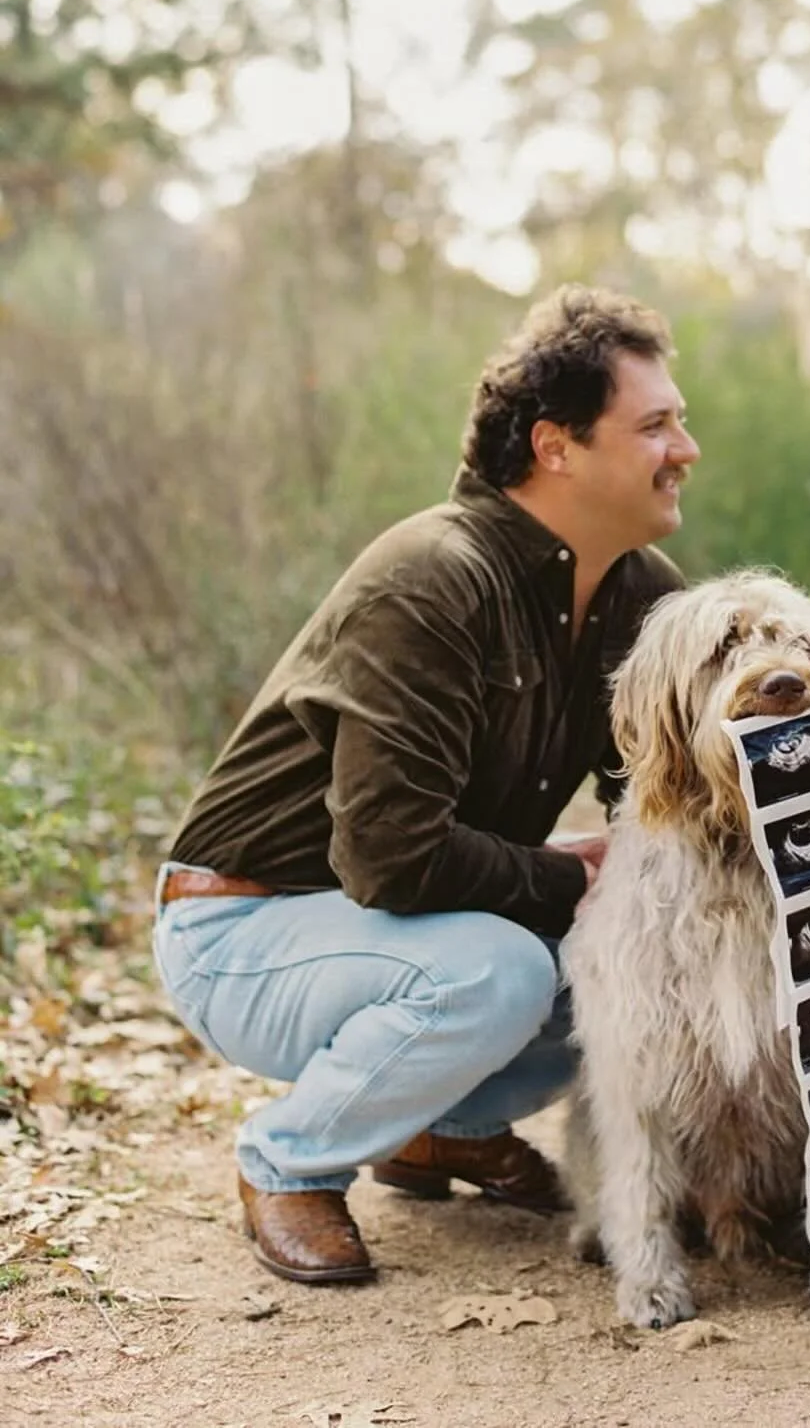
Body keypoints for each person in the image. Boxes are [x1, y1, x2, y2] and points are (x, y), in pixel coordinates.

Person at [152, 286, 699, 1285]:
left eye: (681, 421)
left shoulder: (640, 593)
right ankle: (287, 1158)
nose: (686, 448)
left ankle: (440, 1129)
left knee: (646, 967)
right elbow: (393, 858)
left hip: (401, 923)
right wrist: (572, 876)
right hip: (245, 928)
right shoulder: (434, 577)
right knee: (499, 970)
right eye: (656, 424)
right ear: (556, 446)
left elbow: (656, 812)